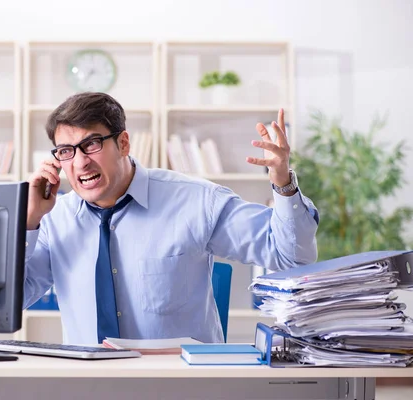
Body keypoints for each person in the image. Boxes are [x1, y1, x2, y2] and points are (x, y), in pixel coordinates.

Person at [24, 92, 319, 345]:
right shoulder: (53, 219)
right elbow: (10, 304)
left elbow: (291, 257)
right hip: (88, 388)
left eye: (92, 144)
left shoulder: (195, 201)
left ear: (124, 143)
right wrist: (28, 222)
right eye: (66, 151)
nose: (80, 161)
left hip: (181, 387)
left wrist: (283, 183)